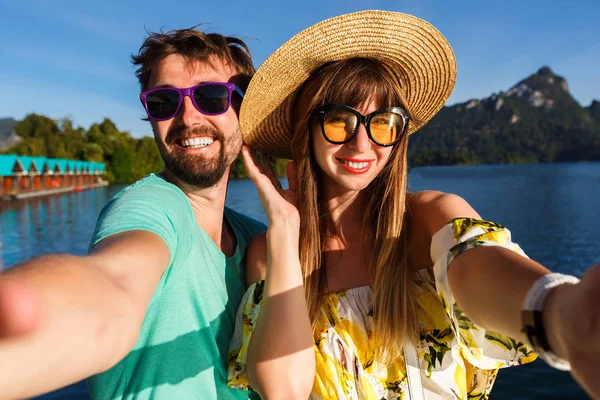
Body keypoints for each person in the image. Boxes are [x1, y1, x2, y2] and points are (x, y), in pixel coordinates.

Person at [226, 10, 600, 400]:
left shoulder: (430, 218)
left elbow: (478, 268)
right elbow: (282, 391)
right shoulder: (273, 255)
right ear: (308, 130)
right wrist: (286, 228)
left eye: (383, 122)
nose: (361, 143)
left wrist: (561, 314)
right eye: (340, 122)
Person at [0, 28, 265, 399]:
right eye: (163, 102)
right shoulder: (150, 209)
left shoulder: (259, 238)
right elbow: (116, 283)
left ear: (243, 107)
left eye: (210, 96)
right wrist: (31, 322)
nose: (188, 119)